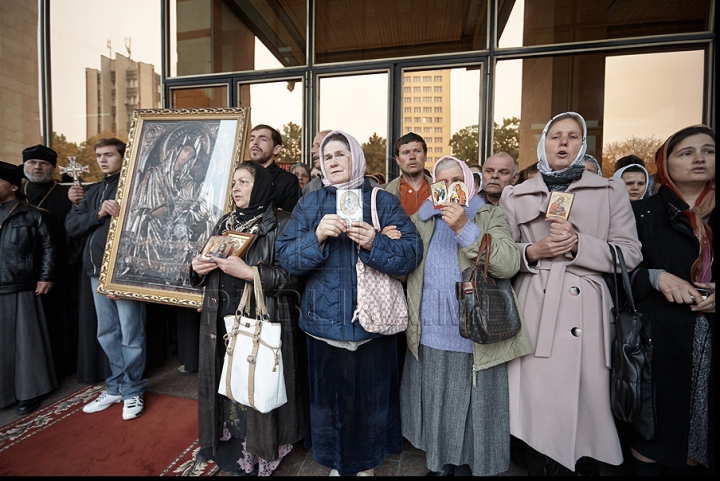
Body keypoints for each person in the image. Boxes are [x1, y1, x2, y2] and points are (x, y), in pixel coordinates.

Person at [499, 111, 643, 475]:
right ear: (542, 144)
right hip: (534, 307)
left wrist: (580, 244)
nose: (563, 142)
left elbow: (630, 252)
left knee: (584, 411)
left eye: (573, 136)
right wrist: (534, 252)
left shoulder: (610, 190)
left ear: (582, 145)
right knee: (533, 411)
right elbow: (500, 255)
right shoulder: (516, 195)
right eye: (555, 136)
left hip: (588, 313)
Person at [276, 130, 423, 477]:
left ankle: (367, 465)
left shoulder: (381, 201)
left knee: (370, 405)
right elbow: (287, 259)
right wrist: (316, 236)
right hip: (323, 326)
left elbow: (412, 255)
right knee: (330, 406)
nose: (334, 161)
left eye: (341, 154)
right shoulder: (310, 203)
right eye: (328, 157)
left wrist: (375, 243)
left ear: (355, 158)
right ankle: (339, 464)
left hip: (373, 325)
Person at [400, 155, 532, 476]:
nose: (447, 189)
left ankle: (470, 467)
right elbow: (406, 268)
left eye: (455, 182)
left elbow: (508, 263)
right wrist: (393, 244)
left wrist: (464, 228)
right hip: (430, 332)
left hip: (476, 333)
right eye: (441, 183)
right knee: (436, 405)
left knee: (474, 412)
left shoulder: (488, 215)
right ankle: (440, 464)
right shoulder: (421, 218)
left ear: (468, 184)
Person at [191, 161, 305, 476]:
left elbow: (295, 277)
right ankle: (230, 441)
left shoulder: (282, 222)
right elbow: (206, 261)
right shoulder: (225, 221)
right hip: (221, 315)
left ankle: (263, 449)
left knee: (257, 380)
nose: (236, 188)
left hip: (261, 316)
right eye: (234, 183)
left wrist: (251, 273)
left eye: (243, 182)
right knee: (228, 381)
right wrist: (196, 269)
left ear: (261, 186)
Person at [627, 125, 715, 476]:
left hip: (709, 343)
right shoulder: (641, 213)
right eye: (686, 152)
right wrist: (655, 276)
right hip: (658, 345)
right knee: (654, 439)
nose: (699, 158)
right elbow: (616, 276)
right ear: (665, 163)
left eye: (708, 150)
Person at [66, 138, 148, 421]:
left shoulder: (137, 185)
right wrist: (99, 212)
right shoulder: (94, 190)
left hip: (125, 271)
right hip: (95, 271)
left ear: (123, 158)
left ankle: (133, 389)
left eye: (109, 155)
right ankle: (117, 386)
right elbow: (72, 226)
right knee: (107, 333)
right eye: (99, 155)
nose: (102, 160)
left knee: (131, 334)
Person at [0, 160, 58, 415]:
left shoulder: (35, 214)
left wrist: (46, 276)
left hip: (22, 286)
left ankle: (30, 392)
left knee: (26, 343)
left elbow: (49, 249)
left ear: (13, 186)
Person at [22, 144, 81, 379]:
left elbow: (73, 232)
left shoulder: (63, 193)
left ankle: (60, 368)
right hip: (22, 271)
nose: (37, 167)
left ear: (53, 168)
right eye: (32, 163)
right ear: (24, 165)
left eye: (44, 163)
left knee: (58, 321)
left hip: (57, 269)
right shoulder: (17, 192)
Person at [248, 124, 300, 211]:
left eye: (263, 139)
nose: (255, 143)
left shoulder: (288, 181)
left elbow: (289, 219)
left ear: (276, 149)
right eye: (252, 139)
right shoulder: (238, 176)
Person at [384, 132, 432, 216]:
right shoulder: (387, 192)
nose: (412, 156)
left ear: (425, 156)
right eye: (406, 153)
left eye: (417, 151)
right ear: (397, 160)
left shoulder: (441, 188)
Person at [302, 130, 331, 195]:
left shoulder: (352, 184)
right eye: (313, 146)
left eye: (318, 145)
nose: (312, 151)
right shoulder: (310, 187)